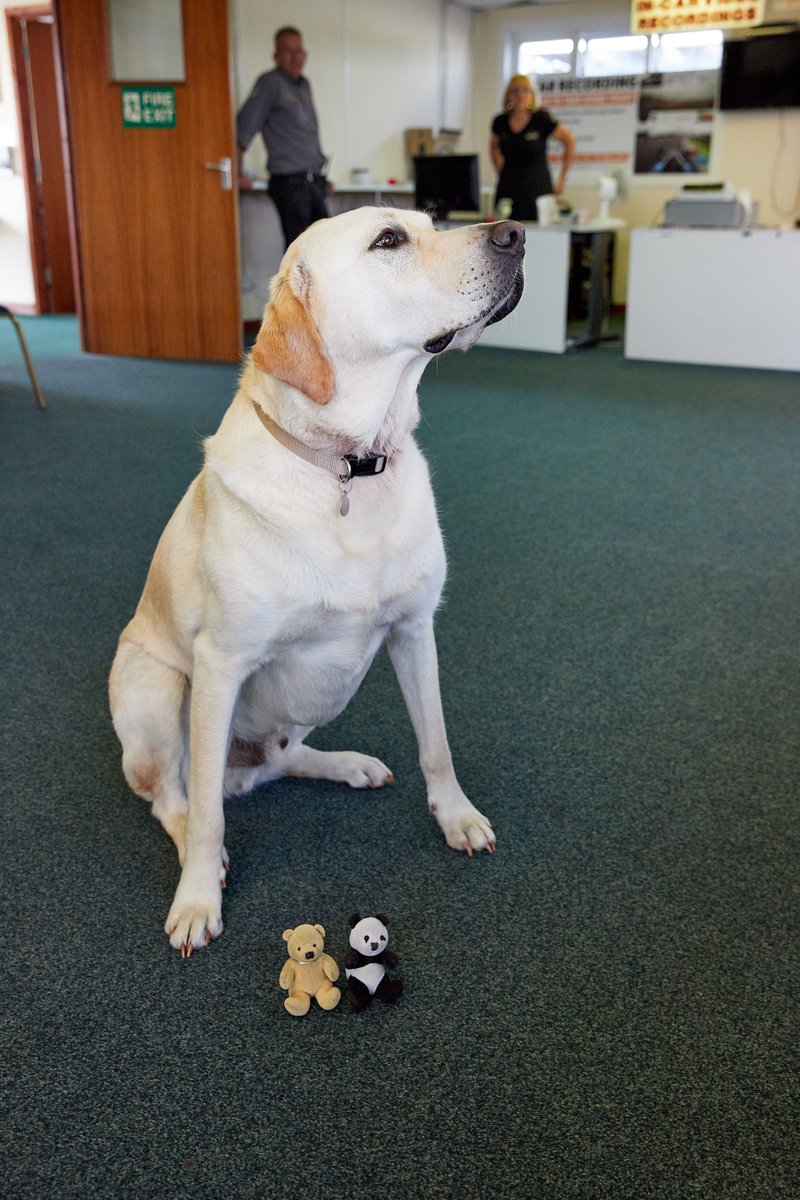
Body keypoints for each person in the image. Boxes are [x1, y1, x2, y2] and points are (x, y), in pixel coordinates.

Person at [236, 26, 330, 248]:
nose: (296, 56)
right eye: (288, 50)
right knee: (299, 251)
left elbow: (305, 135)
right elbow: (242, 129)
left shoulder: (304, 84)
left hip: (312, 181)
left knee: (323, 246)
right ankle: (290, 285)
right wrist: (237, 173)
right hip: (290, 184)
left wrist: (320, 175)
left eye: (299, 50)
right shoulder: (270, 83)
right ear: (276, 56)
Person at [490, 74, 575, 221]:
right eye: (515, 91)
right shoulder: (500, 122)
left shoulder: (542, 119)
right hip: (508, 190)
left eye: (525, 90)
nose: (520, 95)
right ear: (508, 95)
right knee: (503, 234)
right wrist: (500, 169)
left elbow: (569, 141)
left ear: (532, 95)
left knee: (538, 237)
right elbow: (493, 147)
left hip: (538, 190)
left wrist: (563, 177)